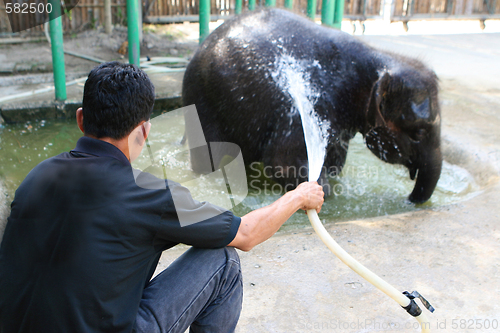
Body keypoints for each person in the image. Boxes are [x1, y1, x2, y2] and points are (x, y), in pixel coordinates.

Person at [0, 62, 324, 333]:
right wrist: (298, 196)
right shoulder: (147, 192)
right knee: (222, 260)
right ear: (144, 131)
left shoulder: (38, 175)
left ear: (81, 119)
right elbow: (247, 234)